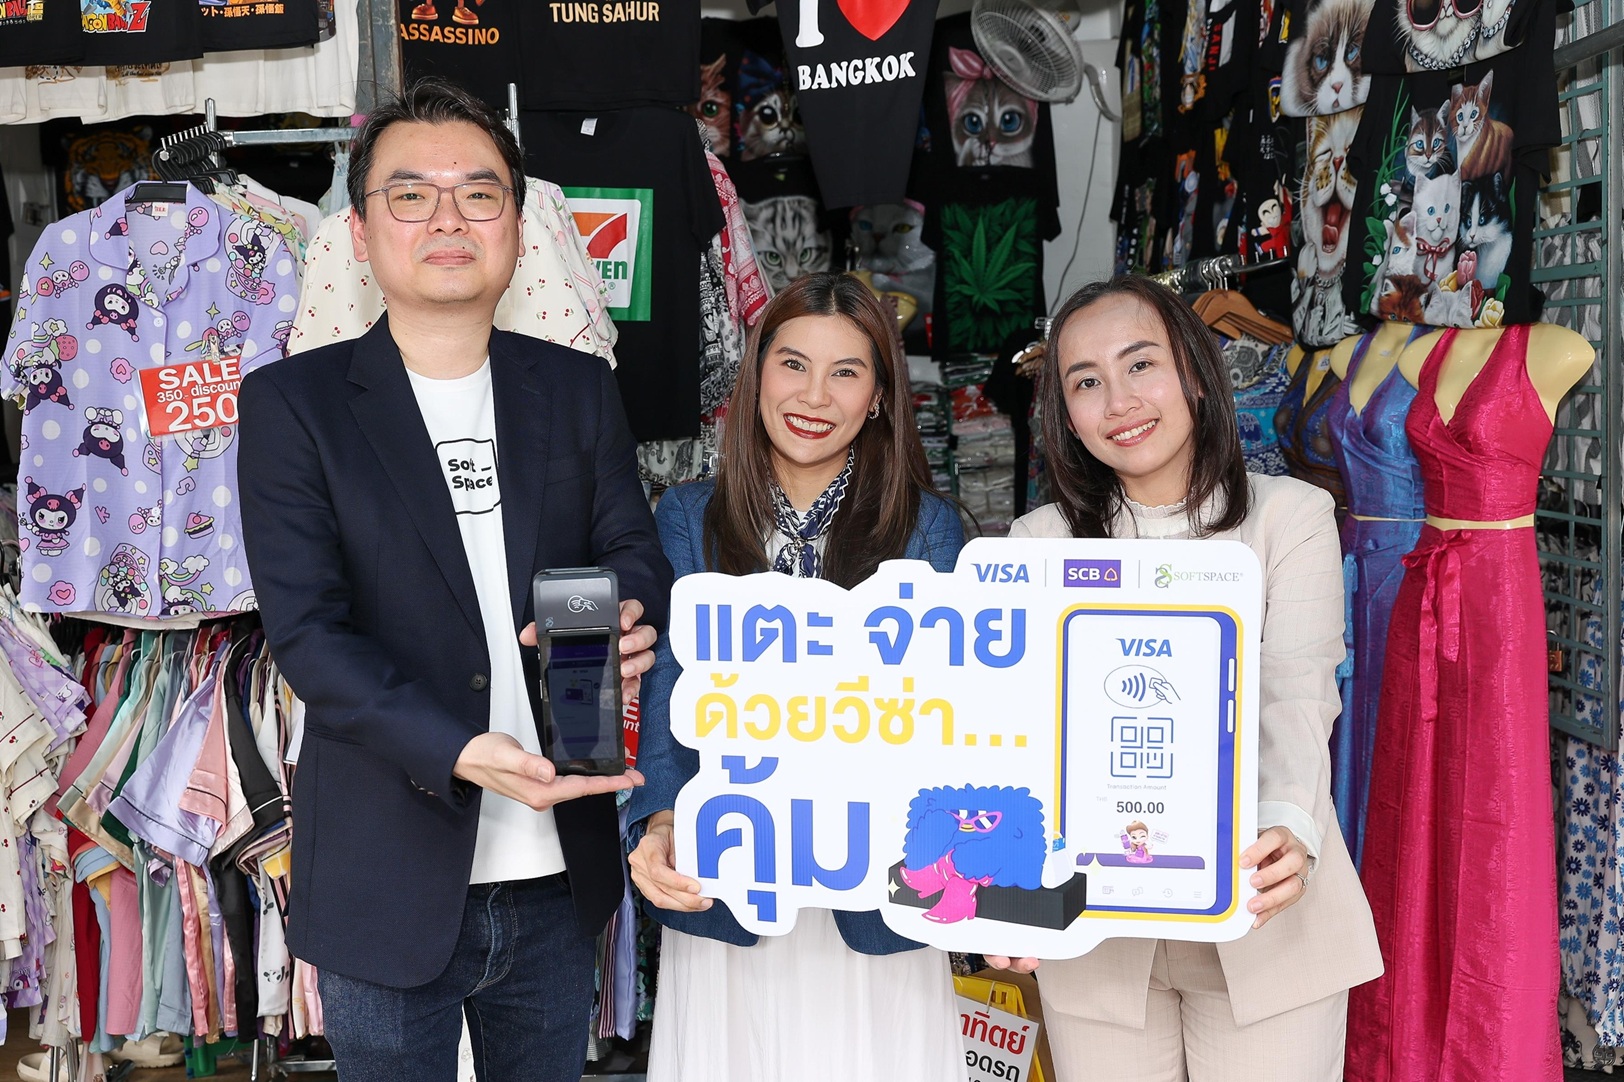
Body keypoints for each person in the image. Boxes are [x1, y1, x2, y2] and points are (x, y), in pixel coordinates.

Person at [236, 78, 673, 1082]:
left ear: (516, 224)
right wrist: (461, 749)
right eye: (410, 194)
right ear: (360, 231)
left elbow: (633, 547)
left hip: (556, 868)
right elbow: (309, 636)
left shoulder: (574, 386)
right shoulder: (295, 404)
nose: (447, 218)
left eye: (479, 194)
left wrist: (631, 610)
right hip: (387, 873)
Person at [996, 276, 1382, 1081]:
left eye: (1141, 365)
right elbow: (1015, 727)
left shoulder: (1289, 515)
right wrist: (1003, 883)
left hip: (1263, 908)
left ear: (1196, 375)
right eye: (1087, 382)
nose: (1120, 402)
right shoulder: (1035, 543)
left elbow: (1297, 687)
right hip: (1097, 935)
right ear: (1065, 414)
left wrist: (1288, 827)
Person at [625, 272, 967, 1082]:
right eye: (793, 364)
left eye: (846, 372)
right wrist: (661, 818)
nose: (815, 396)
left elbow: (948, 712)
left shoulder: (926, 526)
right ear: (756, 377)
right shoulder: (689, 516)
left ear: (879, 397)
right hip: (727, 879)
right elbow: (670, 683)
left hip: (875, 893)